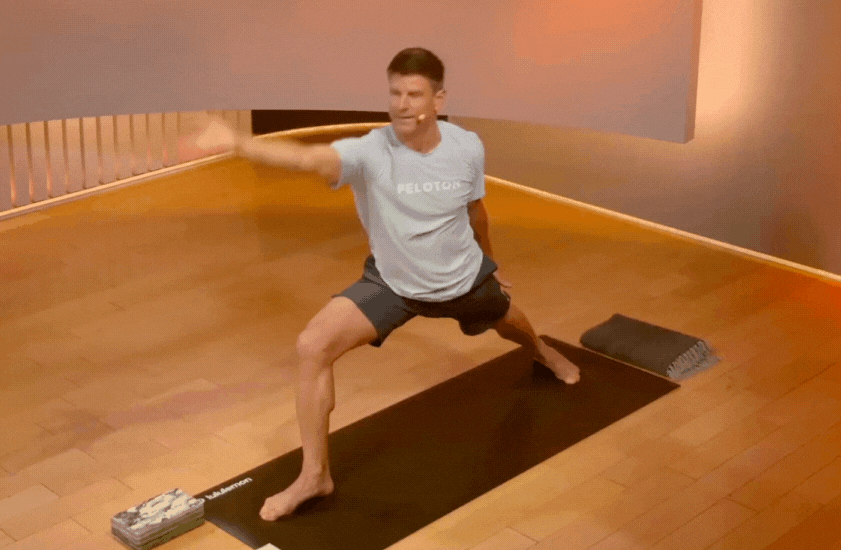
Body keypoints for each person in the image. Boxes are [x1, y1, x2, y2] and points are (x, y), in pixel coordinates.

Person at [228, 48, 581, 522]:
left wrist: (490, 263)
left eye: (414, 93)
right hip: (392, 284)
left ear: (438, 98)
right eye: (394, 92)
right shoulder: (369, 151)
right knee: (312, 346)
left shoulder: (466, 146)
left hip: (462, 278)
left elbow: (477, 210)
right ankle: (315, 476)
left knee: (509, 319)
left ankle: (541, 350)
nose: (401, 103)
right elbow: (307, 158)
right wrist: (239, 144)